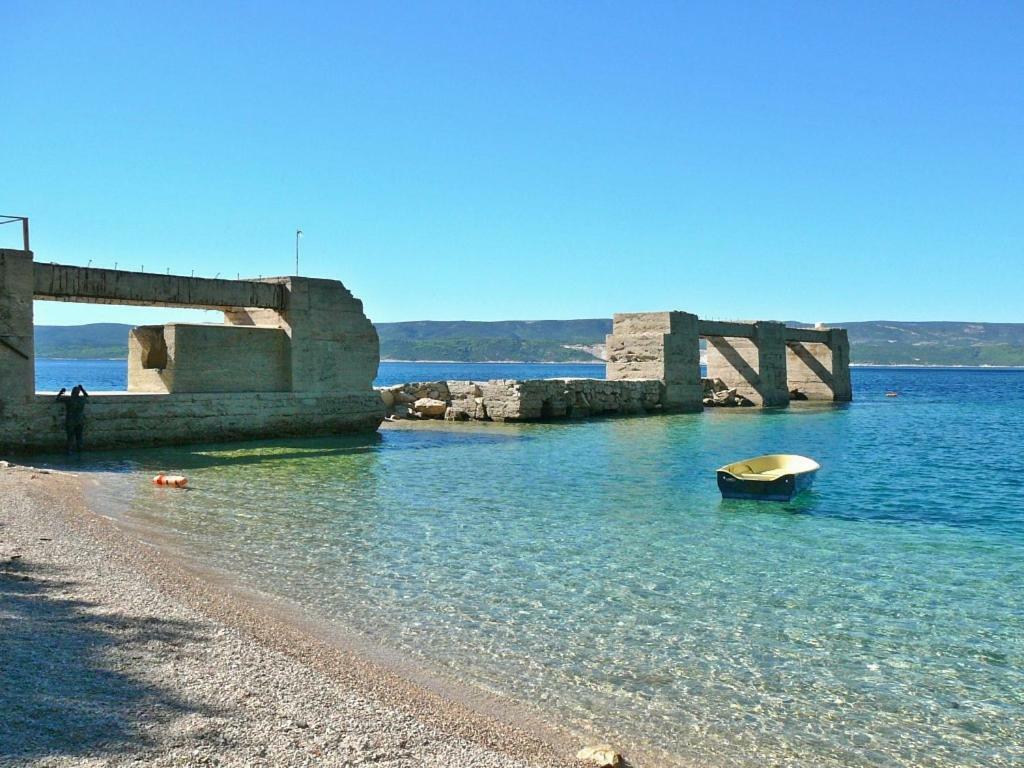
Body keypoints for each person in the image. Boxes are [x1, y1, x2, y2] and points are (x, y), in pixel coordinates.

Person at [56, 384, 89, 453]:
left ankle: (69, 451)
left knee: (70, 437)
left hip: (70, 420)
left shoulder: (69, 399)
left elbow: (57, 399)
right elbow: (87, 396)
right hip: (80, 420)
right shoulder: (82, 399)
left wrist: (61, 392)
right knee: (79, 437)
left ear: (72, 392)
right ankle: (80, 451)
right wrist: (82, 389)